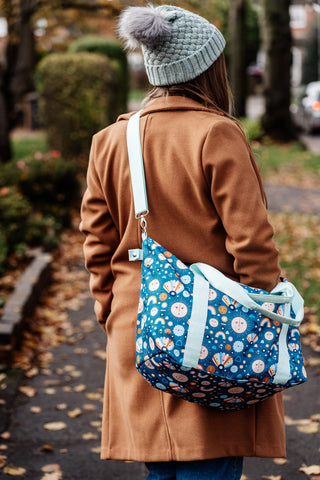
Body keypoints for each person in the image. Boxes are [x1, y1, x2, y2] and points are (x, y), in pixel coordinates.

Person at [80, 5, 285, 480]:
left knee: (161, 466)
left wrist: (109, 309)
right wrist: (266, 314)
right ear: (210, 68)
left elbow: (96, 239)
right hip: (213, 327)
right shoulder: (217, 133)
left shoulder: (109, 140)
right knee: (209, 464)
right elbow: (252, 242)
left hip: (137, 323)